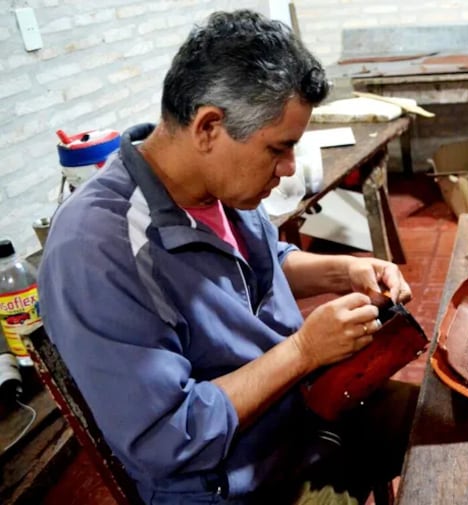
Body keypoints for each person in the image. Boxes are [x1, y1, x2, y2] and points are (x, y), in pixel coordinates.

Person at [39, 10, 417, 504]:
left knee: (445, 419)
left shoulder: (214, 185)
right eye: (278, 149)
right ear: (209, 127)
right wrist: (303, 352)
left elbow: (261, 262)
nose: (287, 169)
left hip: (297, 408)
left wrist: (342, 271)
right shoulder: (97, 251)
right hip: (237, 479)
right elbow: (168, 437)